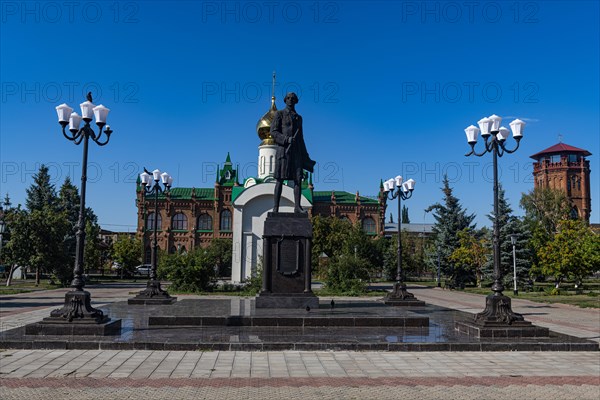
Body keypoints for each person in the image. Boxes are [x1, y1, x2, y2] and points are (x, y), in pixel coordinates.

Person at [270, 92, 316, 213]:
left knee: (297, 179)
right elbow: (273, 132)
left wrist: (306, 156)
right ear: (285, 100)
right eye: (288, 98)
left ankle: (297, 207)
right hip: (283, 151)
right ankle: (275, 208)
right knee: (279, 179)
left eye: (293, 98)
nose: (290, 100)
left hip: (296, 153)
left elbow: (301, 138)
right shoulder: (279, 114)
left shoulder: (299, 118)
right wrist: (286, 139)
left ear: (296, 101)